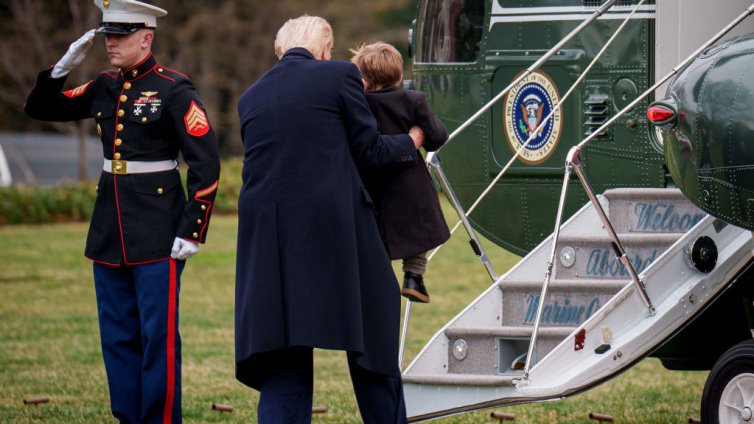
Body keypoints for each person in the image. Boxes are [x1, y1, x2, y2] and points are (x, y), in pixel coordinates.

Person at [24, 1, 220, 422]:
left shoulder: (174, 89)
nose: (110, 42)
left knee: (157, 338)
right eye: (107, 34)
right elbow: (40, 109)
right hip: (109, 229)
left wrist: (192, 229)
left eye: (121, 34)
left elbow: (205, 164)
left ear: (146, 38)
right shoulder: (104, 85)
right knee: (116, 338)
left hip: (158, 230)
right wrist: (61, 68)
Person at [235, 15, 424, 424]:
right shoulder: (339, 76)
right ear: (324, 50)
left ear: (281, 50)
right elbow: (369, 150)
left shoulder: (250, 96)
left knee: (285, 355)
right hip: (337, 232)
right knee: (372, 335)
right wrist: (411, 142)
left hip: (270, 241)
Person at [350, 42, 450, 304]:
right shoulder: (413, 100)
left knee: (379, 236)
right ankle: (414, 277)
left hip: (374, 184)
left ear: (365, 80)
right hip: (410, 184)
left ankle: (379, 284)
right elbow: (438, 138)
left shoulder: (358, 104)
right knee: (419, 231)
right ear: (398, 75)